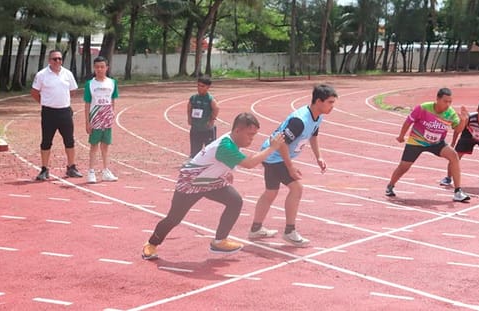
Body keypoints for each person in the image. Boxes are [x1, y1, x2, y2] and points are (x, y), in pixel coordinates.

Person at [142, 113, 284, 259]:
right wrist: (272, 148)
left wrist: (226, 172)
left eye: (253, 135)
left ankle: (219, 241)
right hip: (191, 182)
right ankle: (151, 244)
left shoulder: (233, 142)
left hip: (211, 181)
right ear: (237, 131)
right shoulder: (226, 145)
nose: (251, 139)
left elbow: (221, 162)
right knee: (174, 218)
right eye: (249, 135)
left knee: (235, 201)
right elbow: (250, 163)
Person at [248, 84, 338, 247]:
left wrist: (319, 157)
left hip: (272, 155)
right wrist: (290, 167)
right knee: (296, 188)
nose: (332, 106)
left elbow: (313, 136)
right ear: (319, 101)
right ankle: (289, 232)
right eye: (330, 103)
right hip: (274, 156)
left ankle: (255, 229)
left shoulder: (318, 116)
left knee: (270, 192)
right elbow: (282, 144)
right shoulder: (300, 121)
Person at [385, 87, 471, 202]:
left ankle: (458, 191)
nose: (448, 104)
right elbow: (409, 121)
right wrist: (401, 136)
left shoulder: (450, 113)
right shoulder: (423, 108)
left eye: (450, 102)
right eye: (445, 101)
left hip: (437, 143)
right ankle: (391, 185)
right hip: (417, 141)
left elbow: (458, 130)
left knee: (454, 156)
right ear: (437, 99)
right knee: (404, 166)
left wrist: (463, 121)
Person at [31, 49, 83, 180]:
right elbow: (34, 92)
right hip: (49, 113)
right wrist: (45, 102)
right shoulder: (42, 75)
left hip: (65, 112)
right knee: (46, 141)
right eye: (55, 59)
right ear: (49, 60)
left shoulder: (68, 74)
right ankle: (44, 169)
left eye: (60, 59)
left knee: (69, 140)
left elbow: (72, 91)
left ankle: (71, 167)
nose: (58, 61)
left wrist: (61, 101)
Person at [440, 99, 479, 190]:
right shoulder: (470, 118)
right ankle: (448, 178)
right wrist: (453, 143)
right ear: (477, 110)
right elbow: (457, 130)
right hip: (468, 136)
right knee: (455, 156)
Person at [84, 56, 119, 183]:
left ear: (107, 68)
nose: (100, 69)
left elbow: (113, 100)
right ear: (94, 68)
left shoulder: (112, 83)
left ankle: (105, 171)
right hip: (95, 118)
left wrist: (112, 114)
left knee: (105, 146)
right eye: (97, 67)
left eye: (102, 67)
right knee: (94, 146)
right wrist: (87, 122)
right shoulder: (90, 84)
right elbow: (87, 104)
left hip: (107, 118)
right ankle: (91, 171)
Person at [188, 76, 219, 158]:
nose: (199, 88)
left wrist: (212, 120)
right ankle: (194, 161)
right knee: (195, 149)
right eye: (198, 85)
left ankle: (210, 163)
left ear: (207, 87)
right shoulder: (194, 98)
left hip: (207, 129)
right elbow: (189, 107)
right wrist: (189, 118)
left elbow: (216, 108)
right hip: (195, 128)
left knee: (210, 149)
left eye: (202, 86)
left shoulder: (209, 99)